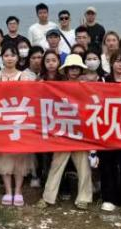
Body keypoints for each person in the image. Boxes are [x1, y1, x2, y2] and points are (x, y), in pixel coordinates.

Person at [38, 54, 92, 210]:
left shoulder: (87, 86)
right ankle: (48, 197)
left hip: (81, 131)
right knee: (57, 164)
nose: (74, 71)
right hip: (63, 130)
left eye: (77, 68)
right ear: (66, 70)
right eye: (71, 68)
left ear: (81, 70)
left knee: (83, 165)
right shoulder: (58, 86)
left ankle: (84, 198)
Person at [0, 45, 34, 206]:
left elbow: (30, 96)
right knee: (4, 156)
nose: (9, 58)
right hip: (1, 120)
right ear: (2, 58)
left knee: (20, 156)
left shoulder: (24, 75)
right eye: (6, 55)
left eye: (12, 55)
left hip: (20, 120)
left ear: (17, 58)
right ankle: (8, 190)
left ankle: (18, 190)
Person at [96, 50, 121, 212]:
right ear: (112, 63)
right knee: (107, 163)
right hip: (107, 128)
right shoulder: (103, 81)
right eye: (118, 61)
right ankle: (108, 198)